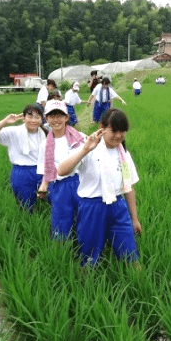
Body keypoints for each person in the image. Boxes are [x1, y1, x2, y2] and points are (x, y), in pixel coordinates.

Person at [57, 109, 142, 266]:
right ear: (102, 127)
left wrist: (135, 219)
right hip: (92, 207)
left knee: (130, 252)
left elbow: (129, 188)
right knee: (89, 254)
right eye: (114, 130)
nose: (118, 135)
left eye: (122, 131)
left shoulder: (124, 154)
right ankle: (84, 281)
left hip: (118, 206)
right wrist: (85, 150)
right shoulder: (88, 148)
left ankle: (140, 283)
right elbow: (61, 170)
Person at [36, 100, 86, 240]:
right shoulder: (45, 145)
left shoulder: (79, 137)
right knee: (61, 217)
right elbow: (46, 168)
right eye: (52, 116)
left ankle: (83, 244)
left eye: (60, 115)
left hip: (80, 182)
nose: (56, 119)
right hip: (59, 186)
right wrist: (44, 186)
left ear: (66, 117)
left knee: (84, 215)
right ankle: (62, 248)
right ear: (47, 119)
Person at [0, 104, 46, 211]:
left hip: (43, 171)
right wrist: (5, 121)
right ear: (23, 118)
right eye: (30, 116)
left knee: (49, 202)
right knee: (26, 205)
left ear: (42, 119)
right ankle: (29, 223)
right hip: (22, 173)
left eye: (37, 117)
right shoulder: (14, 131)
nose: (33, 120)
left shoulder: (45, 133)